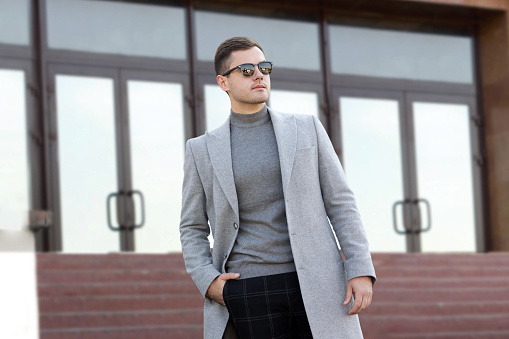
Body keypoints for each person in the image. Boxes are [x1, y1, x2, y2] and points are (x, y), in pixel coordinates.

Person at [179, 36, 376, 339]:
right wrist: (207, 280)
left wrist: (360, 267)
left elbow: (341, 201)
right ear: (223, 82)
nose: (259, 75)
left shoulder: (306, 128)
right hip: (248, 287)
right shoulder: (201, 149)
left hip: (316, 281)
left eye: (264, 67)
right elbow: (192, 225)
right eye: (246, 69)